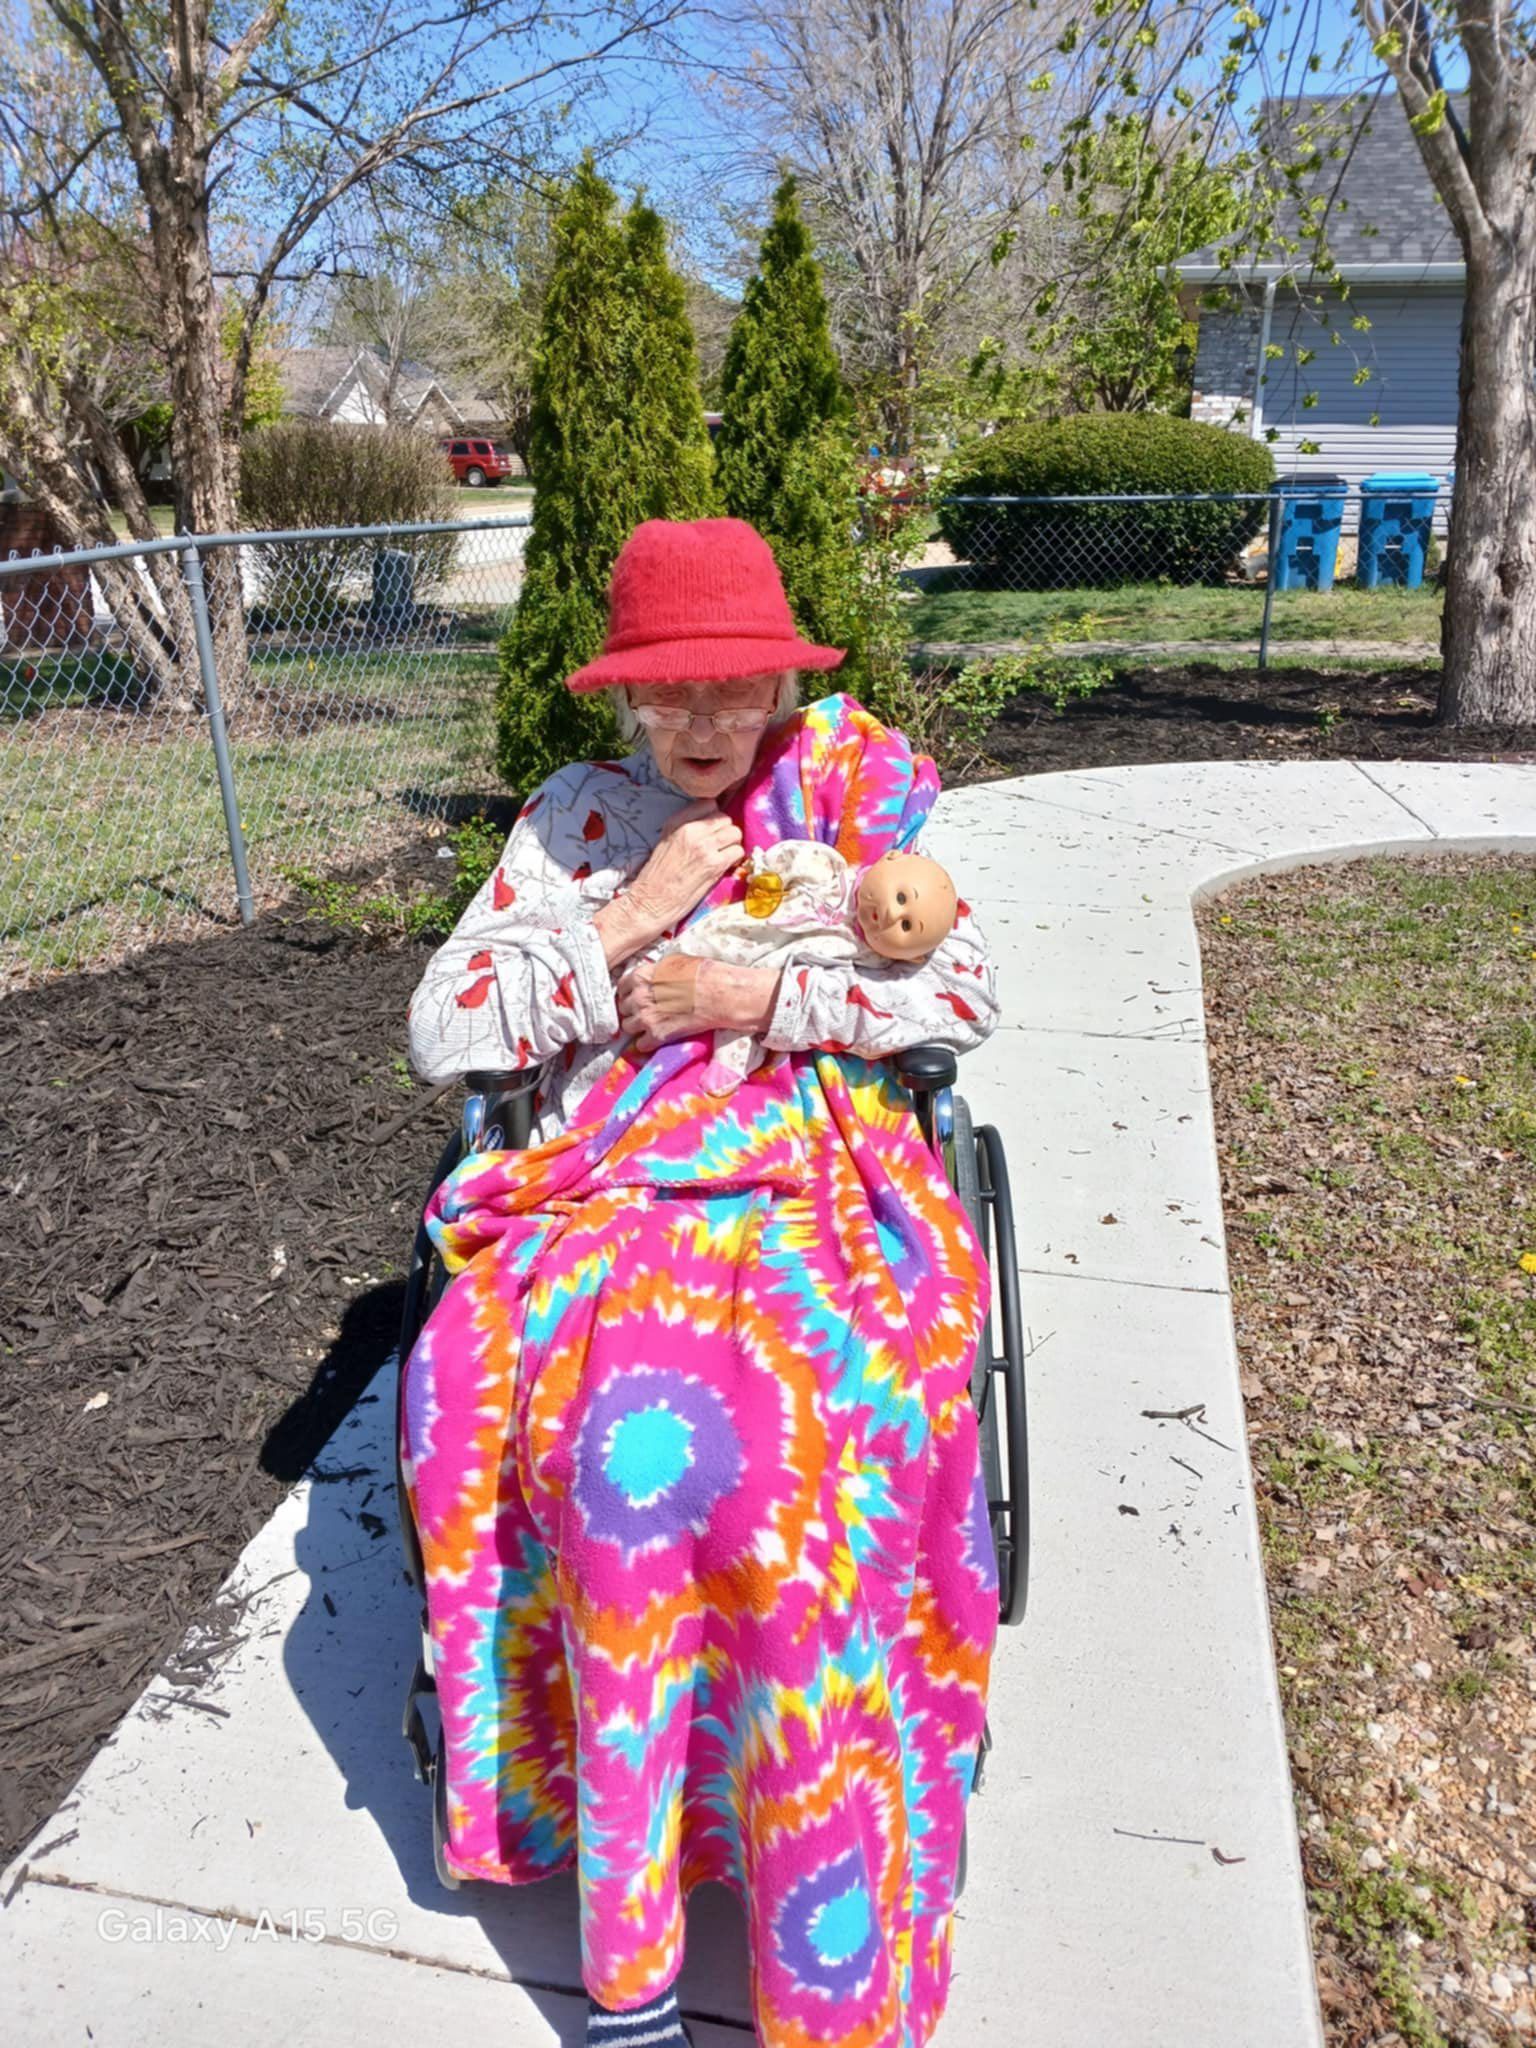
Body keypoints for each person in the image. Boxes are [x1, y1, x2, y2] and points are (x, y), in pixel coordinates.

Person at [403, 516, 1002, 2048]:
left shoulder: (858, 790)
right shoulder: (576, 818)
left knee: (822, 1428)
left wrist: (761, 990)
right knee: (521, 1396)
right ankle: (630, 1887)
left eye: (734, 688)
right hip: (611, 1156)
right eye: (670, 697)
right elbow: (441, 1030)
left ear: (777, 678)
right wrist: (634, 907)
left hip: (811, 1149)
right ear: (623, 700)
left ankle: (814, 1846)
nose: (706, 723)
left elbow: (963, 985)